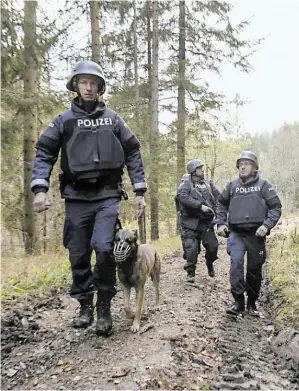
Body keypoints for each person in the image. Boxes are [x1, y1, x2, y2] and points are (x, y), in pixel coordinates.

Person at [31, 60, 147, 336]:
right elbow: (45, 152)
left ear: (100, 88)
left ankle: (105, 306)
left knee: (105, 248)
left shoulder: (113, 118)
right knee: (78, 253)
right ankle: (85, 304)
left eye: (93, 83)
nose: (88, 87)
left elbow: (132, 151)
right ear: (75, 85)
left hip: (108, 195)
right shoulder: (64, 121)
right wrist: (40, 189)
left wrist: (139, 191)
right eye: (83, 82)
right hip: (76, 197)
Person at [217, 151, 282, 317]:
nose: (243, 167)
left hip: (256, 235)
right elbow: (221, 204)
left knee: (254, 269)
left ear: (255, 167)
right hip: (236, 233)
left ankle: (252, 303)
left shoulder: (264, 185)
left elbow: (276, 207)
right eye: (241, 164)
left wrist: (267, 225)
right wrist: (221, 223)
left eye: (247, 163)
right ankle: (238, 302)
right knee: (236, 265)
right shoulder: (231, 186)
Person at [178, 159, 220, 282]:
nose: (202, 170)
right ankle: (190, 272)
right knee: (191, 250)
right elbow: (182, 197)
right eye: (199, 168)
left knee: (213, 248)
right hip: (190, 223)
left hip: (206, 223)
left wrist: (218, 211)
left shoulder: (208, 183)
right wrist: (200, 206)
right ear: (193, 171)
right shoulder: (185, 184)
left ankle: (209, 262)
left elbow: (218, 197)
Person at [175, 173, 190, 260]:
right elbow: (176, 200)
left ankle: (187, 251)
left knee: (184, 234)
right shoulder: (181, 189)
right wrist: (178, 211)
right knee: (184, 234)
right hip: (183, 215)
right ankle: (186, 251)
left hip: (184, 214)